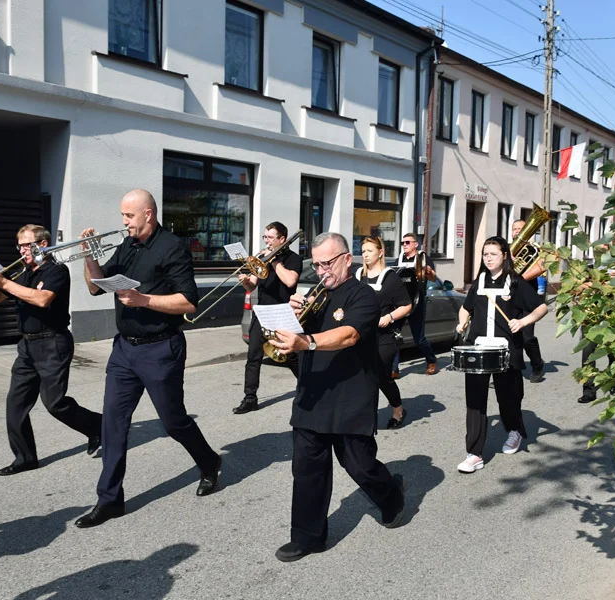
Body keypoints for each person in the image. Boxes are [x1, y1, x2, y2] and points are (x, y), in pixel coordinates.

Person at [74, 189, 222, 529]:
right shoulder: (128, 246)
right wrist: (88, 256)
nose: (123, 222)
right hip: (124, 349)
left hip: (160, 349)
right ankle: (109, 500)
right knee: (112, 424)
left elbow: (188, 303)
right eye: (122, 216)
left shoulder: (172, 248)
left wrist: (144, 300)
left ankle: (210, 461)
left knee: (173, 423)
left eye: (128, 216)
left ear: (148, 215)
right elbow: (97, 286)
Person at [267, 232, 407, 562]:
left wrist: (307, 342)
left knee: (360, 466)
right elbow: (294, 341)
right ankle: (307, 537)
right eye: (315, 264)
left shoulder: (363, 296)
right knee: (306, 470)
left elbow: (349, 335)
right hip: (313, 396)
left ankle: (391, 497)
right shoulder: (314, 298)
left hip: (350, 397)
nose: (320, 270)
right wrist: (290, 318)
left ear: (347, 258)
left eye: (327, 262)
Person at [0, 225, 102, 476]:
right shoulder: (22, 273)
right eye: (20, 246)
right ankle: (24, 458)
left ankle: (97, 426)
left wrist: (4, 281)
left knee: (55, 403)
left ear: (44, 244)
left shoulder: (57, 270)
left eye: (27, 245)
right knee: (15, 405)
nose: (22, 250)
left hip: (53, 343)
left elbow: (42, 299)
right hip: (27, 345)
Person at [454, 236, 548, 473]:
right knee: (474, 402)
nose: (488, 258)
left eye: (493, 254)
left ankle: (514, 431)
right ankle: (474, 454)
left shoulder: (515, 282)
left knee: (508, 398)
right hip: (479, 348)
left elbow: (541, 306)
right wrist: (462, 323)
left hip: (506, 350)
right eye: (485, 254)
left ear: (505, 256)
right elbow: (466, 308)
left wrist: (523, 321)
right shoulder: (480, 281)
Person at [233, 222, 302, 414]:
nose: (267, 241)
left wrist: (273, 262)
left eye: (270, 238)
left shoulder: (293, 259)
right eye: (265, 237)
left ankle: (307, 386)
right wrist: (245, 281)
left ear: (282, 239)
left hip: (281, 313)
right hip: (261, 313)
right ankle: (250, 398)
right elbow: (252, 286)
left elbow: (290, 280)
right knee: (253, 356)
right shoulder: (261, 258)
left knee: (290, 356)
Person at [355, 237, 413, 429]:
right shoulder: (358, 275)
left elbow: (406, 305)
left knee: (381, 378)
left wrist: (389, 317)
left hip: (383, 338)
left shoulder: (390, 277)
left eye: (369, 250)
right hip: (360, 338)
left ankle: (398, 409)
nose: (365, 254)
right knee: (361, 378)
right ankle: (364, 418)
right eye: (363, 251)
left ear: (380, 252)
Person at [392, 232, 438, 377]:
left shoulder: (424, 258)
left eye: (407, 242)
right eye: (403, 243)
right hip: (400, 302)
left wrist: (429, 272)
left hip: (417, 301)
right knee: (394, 335)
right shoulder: (399, 259)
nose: (404, 245)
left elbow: (433, 278)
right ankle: (394, 369)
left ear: (415, 244)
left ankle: (431, 360)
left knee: (419, 338)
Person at [511, 219, 545, 383]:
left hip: (528, 297)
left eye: (520, 229)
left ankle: (537, 364)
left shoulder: (533, 249)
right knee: (507, 336)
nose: (517, 232)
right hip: (509, 297)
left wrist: (520, 279)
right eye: (514, 229)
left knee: (526, 336)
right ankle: (507, 371)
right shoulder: (506, 250)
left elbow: (542, 266)